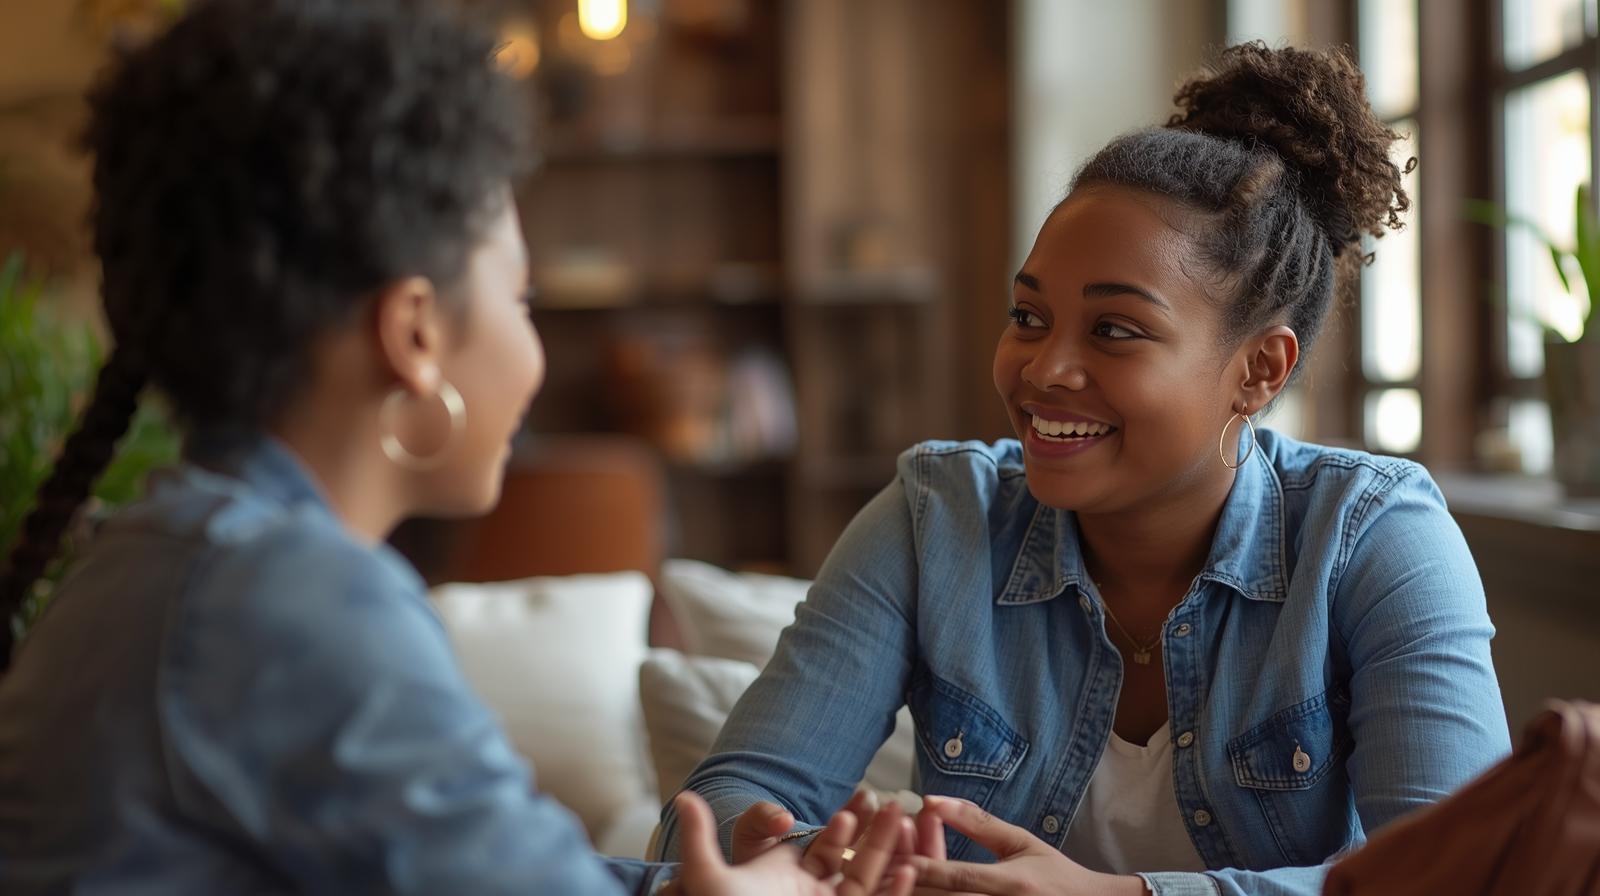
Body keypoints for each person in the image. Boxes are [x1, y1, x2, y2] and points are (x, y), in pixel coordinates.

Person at [0, 2, 917, 894]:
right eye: (520, 299)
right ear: (414, 333)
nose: (533, 350)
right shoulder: (285, 596)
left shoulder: (175, 559)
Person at [654, 42, 1513, 896]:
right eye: (1028, 316)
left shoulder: (1373, 536)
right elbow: (728, 802)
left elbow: (1463, 877)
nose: (1043, 369)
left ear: (1260, 369)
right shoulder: (935, 519)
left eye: (1114, 331)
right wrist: (811, 861)